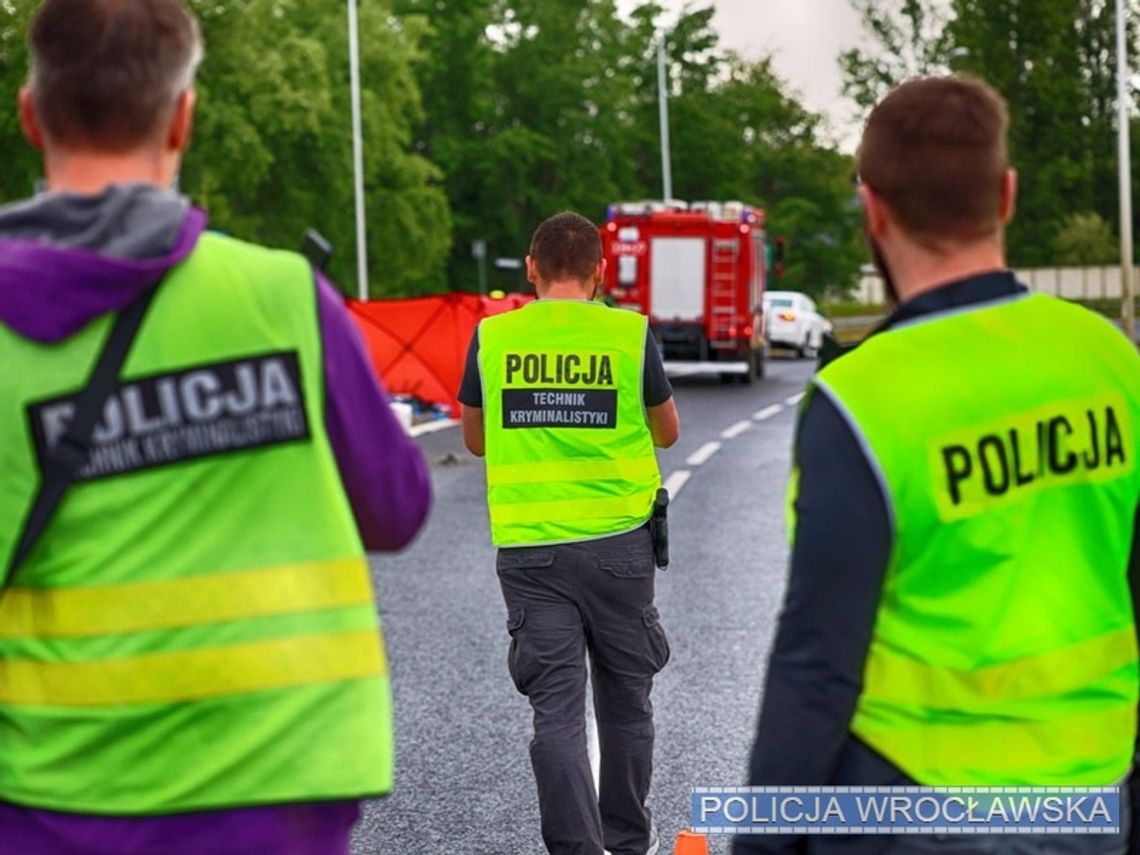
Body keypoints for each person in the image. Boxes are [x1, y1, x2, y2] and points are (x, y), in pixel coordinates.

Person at [0, 1, 432, 853]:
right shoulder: (282, 296)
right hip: (277, 786)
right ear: (185, 117)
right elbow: (397, 507)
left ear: (29, 116)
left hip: (53, 797)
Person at [735, 76, 1140, 855]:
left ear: (873, 209)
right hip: (1089, 798)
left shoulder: (861, 398)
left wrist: (762, 840)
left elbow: (817, 660)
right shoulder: (1108, 361)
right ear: (1008, 194)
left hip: (913, 811)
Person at [459, 212, 680, 855]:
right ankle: (628, 841)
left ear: (531, 268)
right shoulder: (627, 335)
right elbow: (667, 432)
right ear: (599, 272)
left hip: (531, 551)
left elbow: (474, 440)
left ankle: (578, 850)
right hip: (619, 547)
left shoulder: (493, 338)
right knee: (626, 704)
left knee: (556, 712)